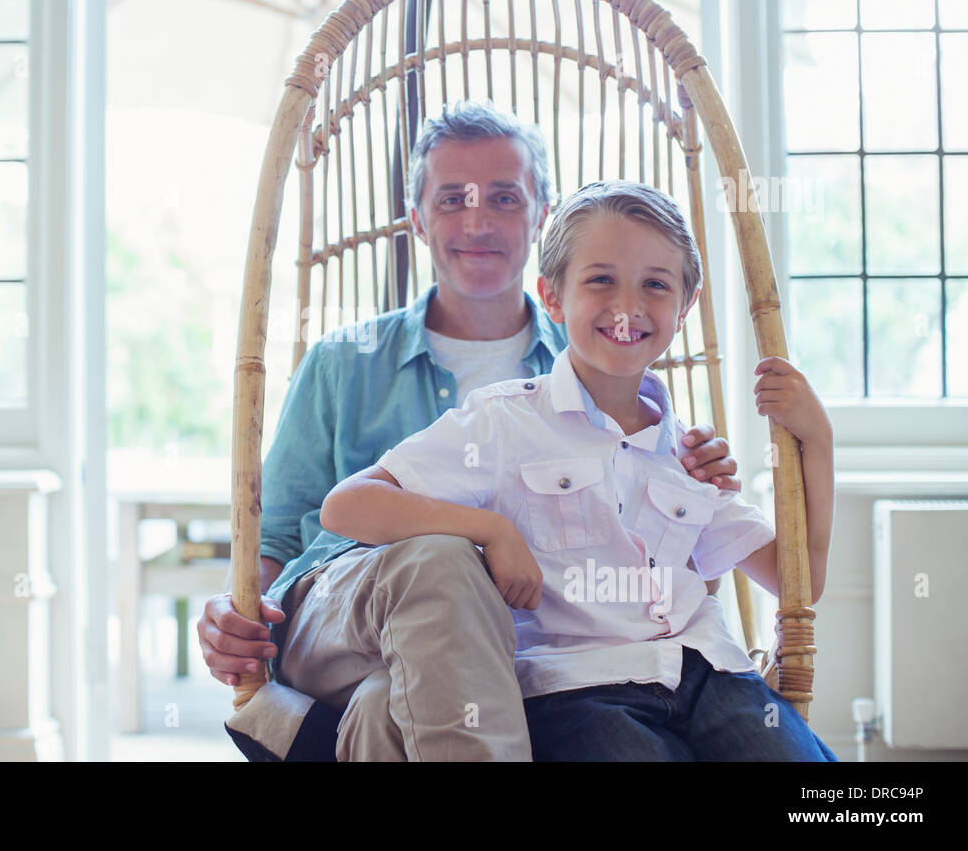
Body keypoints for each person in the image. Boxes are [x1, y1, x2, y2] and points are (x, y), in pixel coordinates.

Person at [201, 101, 742, 760]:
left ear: (541, 215)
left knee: (384, 710)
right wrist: (232, 610)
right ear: (417, 221)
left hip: (500, 654)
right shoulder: (344, 362)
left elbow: (668, 561)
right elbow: (279, 535)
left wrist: (700, 481)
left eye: (505, 198)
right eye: (452, 198)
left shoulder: (604, 368)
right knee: (443, 557)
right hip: (337, 620)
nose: (477, 220)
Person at [321, 179, 837, 760]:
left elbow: (800, 583)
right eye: (600, 280)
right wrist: (491, 530)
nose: (628, 306)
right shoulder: (503, 422)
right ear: (553, 297)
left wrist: (817, 442)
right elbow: (347, 505)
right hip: (575, 689)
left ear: (685, 307)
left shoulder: (689, 453)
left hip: (712, 675)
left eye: (656, 285)